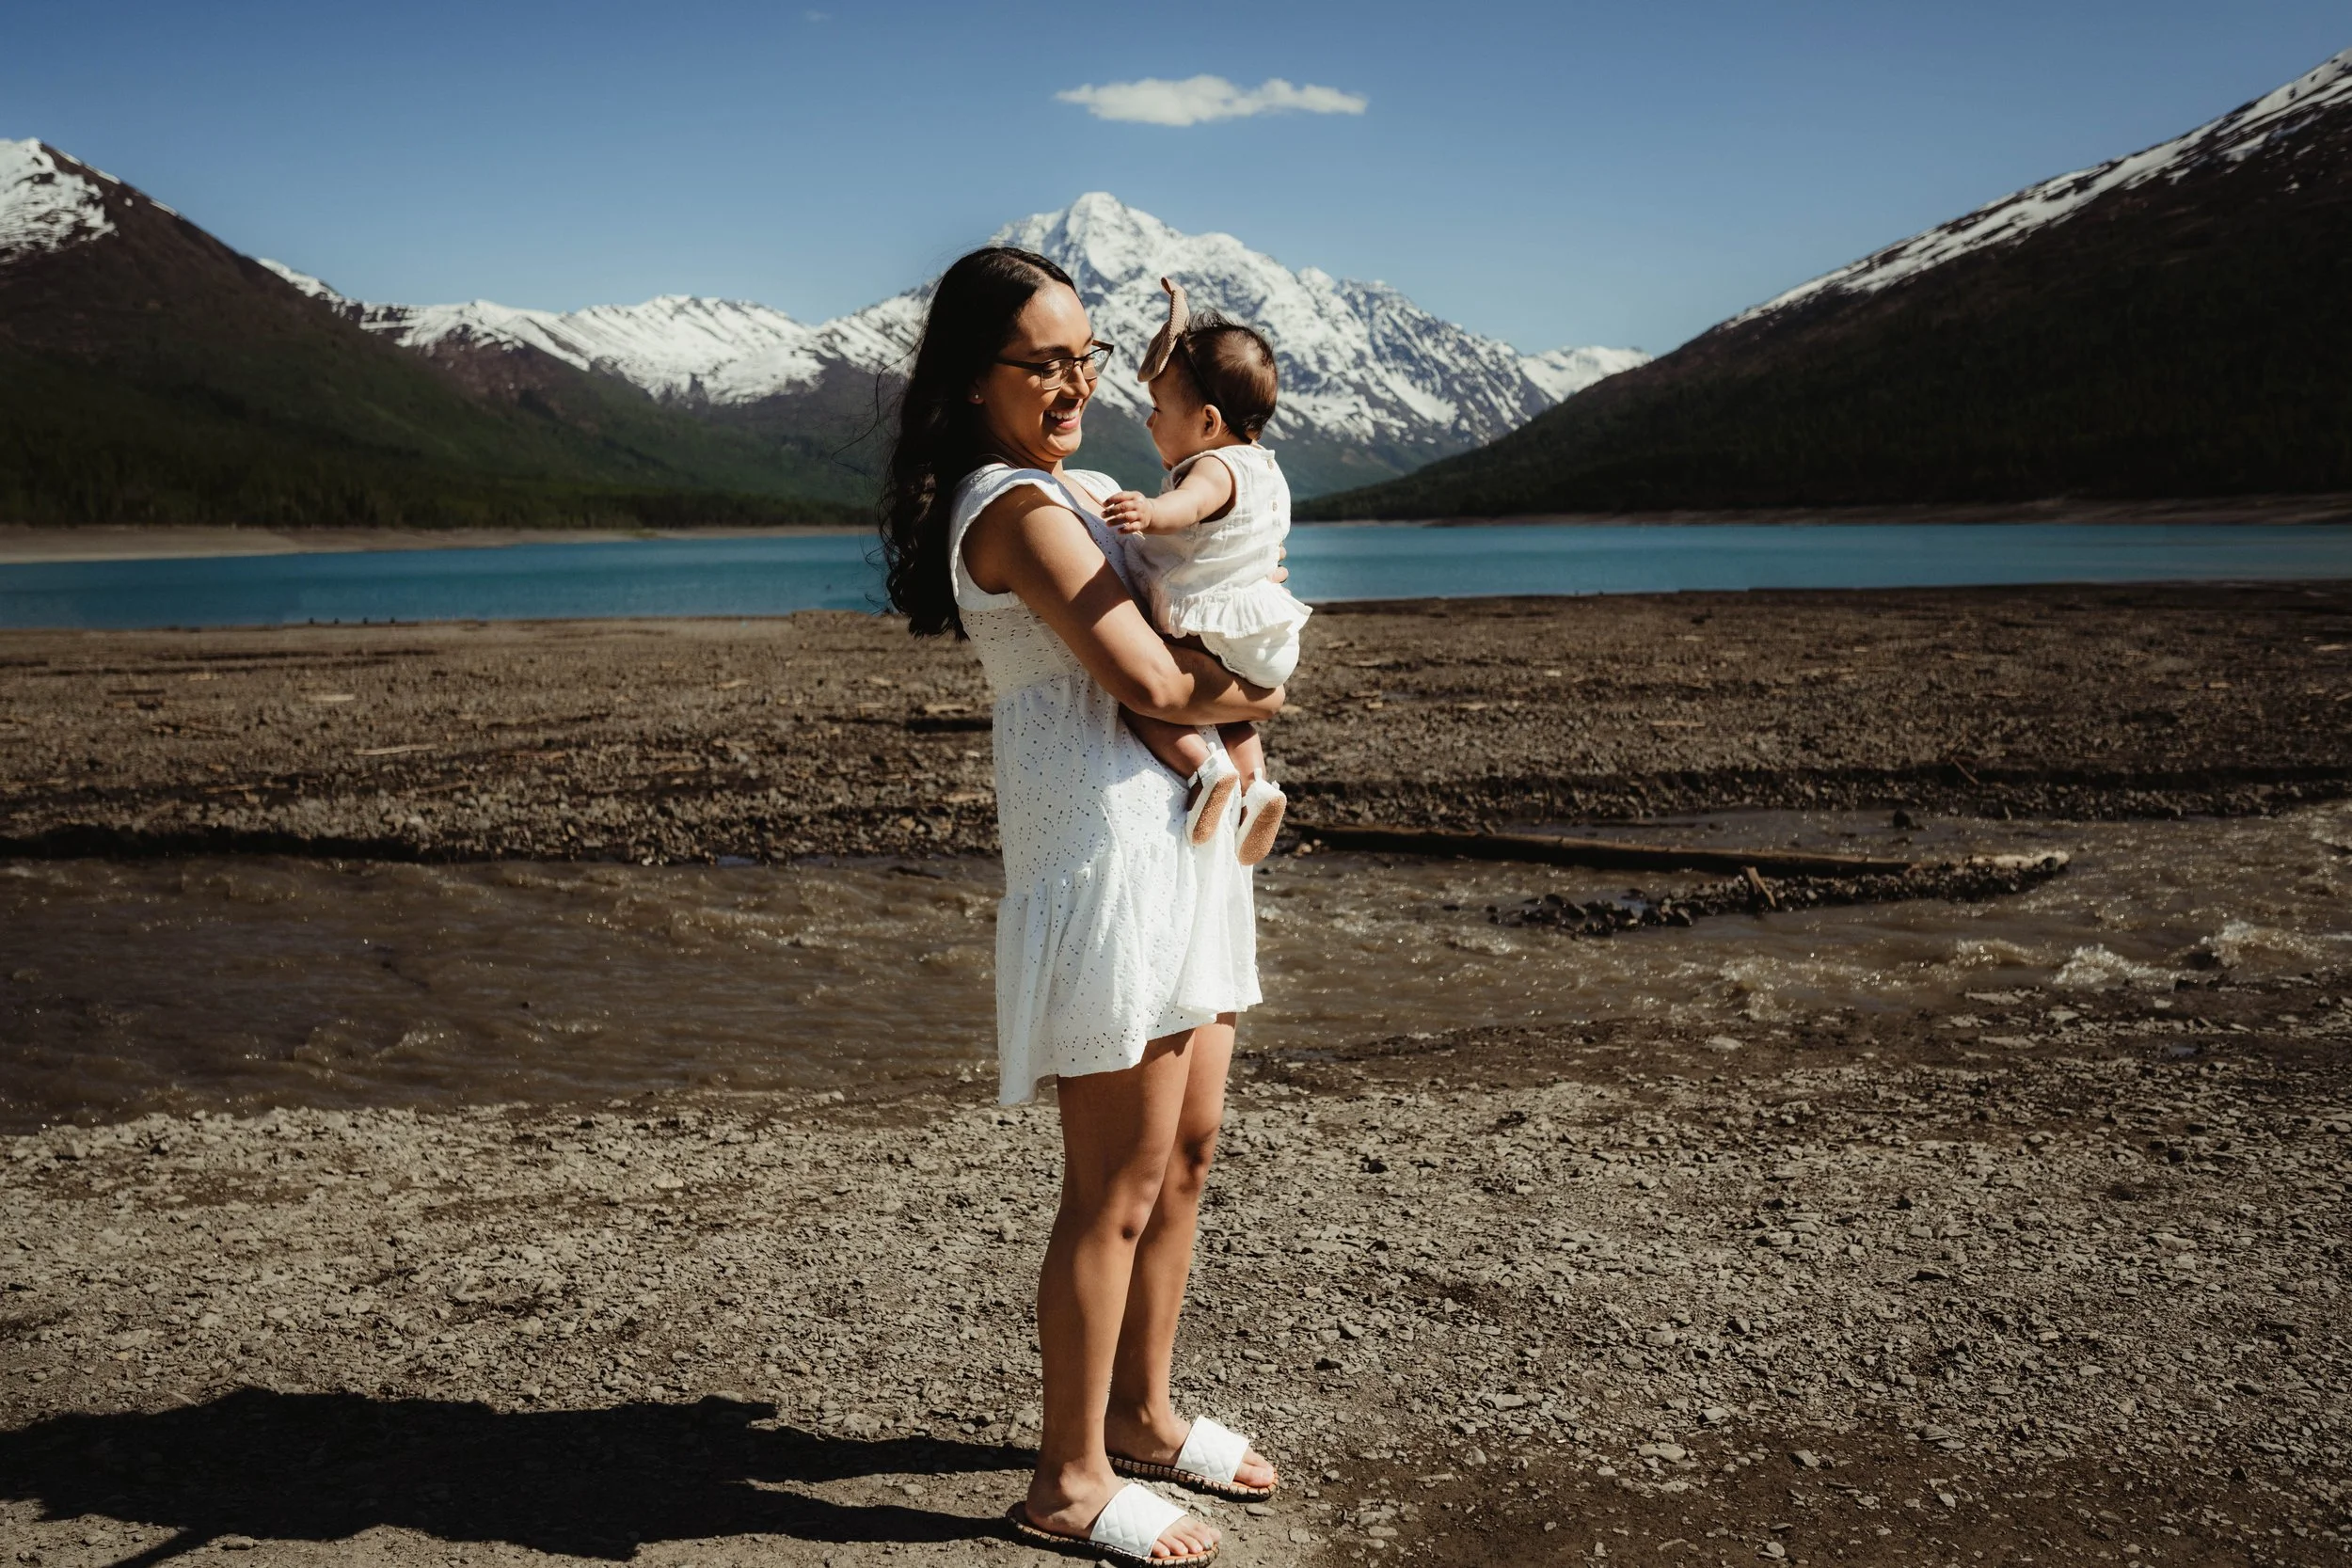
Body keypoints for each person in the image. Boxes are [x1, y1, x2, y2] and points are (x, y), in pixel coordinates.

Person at [878, 246, 1283, 1565]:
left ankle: (1148, 1415)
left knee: (1190, 1147)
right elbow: (1155, 682)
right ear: (974, 379)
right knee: (1111, 1183)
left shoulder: (1067, 489)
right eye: (1042, 361)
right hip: (1105, 854)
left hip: (1181, 846)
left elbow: (1175, 649)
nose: (1073, 382)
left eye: (1083, 356)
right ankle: (1068, 1475)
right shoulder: (1015, 507)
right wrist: (1260, 697)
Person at [1104, 277, 1309, 866]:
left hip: (1206, 622)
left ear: (1209, 421)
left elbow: (1188, 508)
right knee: (1236, 712)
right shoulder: (1267, 469)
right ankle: (1257, 789)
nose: (1148, 422)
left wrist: (1149, 512)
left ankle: (1205, 772)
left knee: (1145, 704)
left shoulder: (1213, 467)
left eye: (1158, 409)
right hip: (1261, 634)